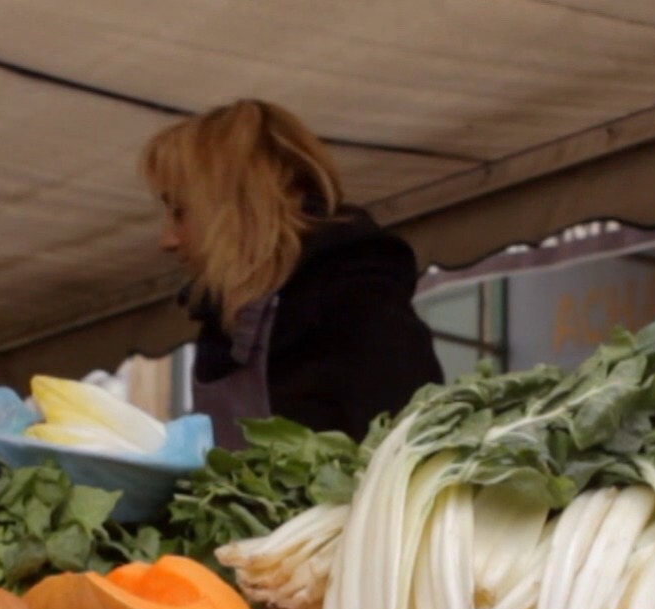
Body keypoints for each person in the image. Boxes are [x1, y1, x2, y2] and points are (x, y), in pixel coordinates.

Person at [140, 99, 444, 447]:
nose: (168, 240)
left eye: (179, 211)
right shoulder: (223, 324)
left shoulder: (356, 301)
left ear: (242, 206)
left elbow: (411, 458)